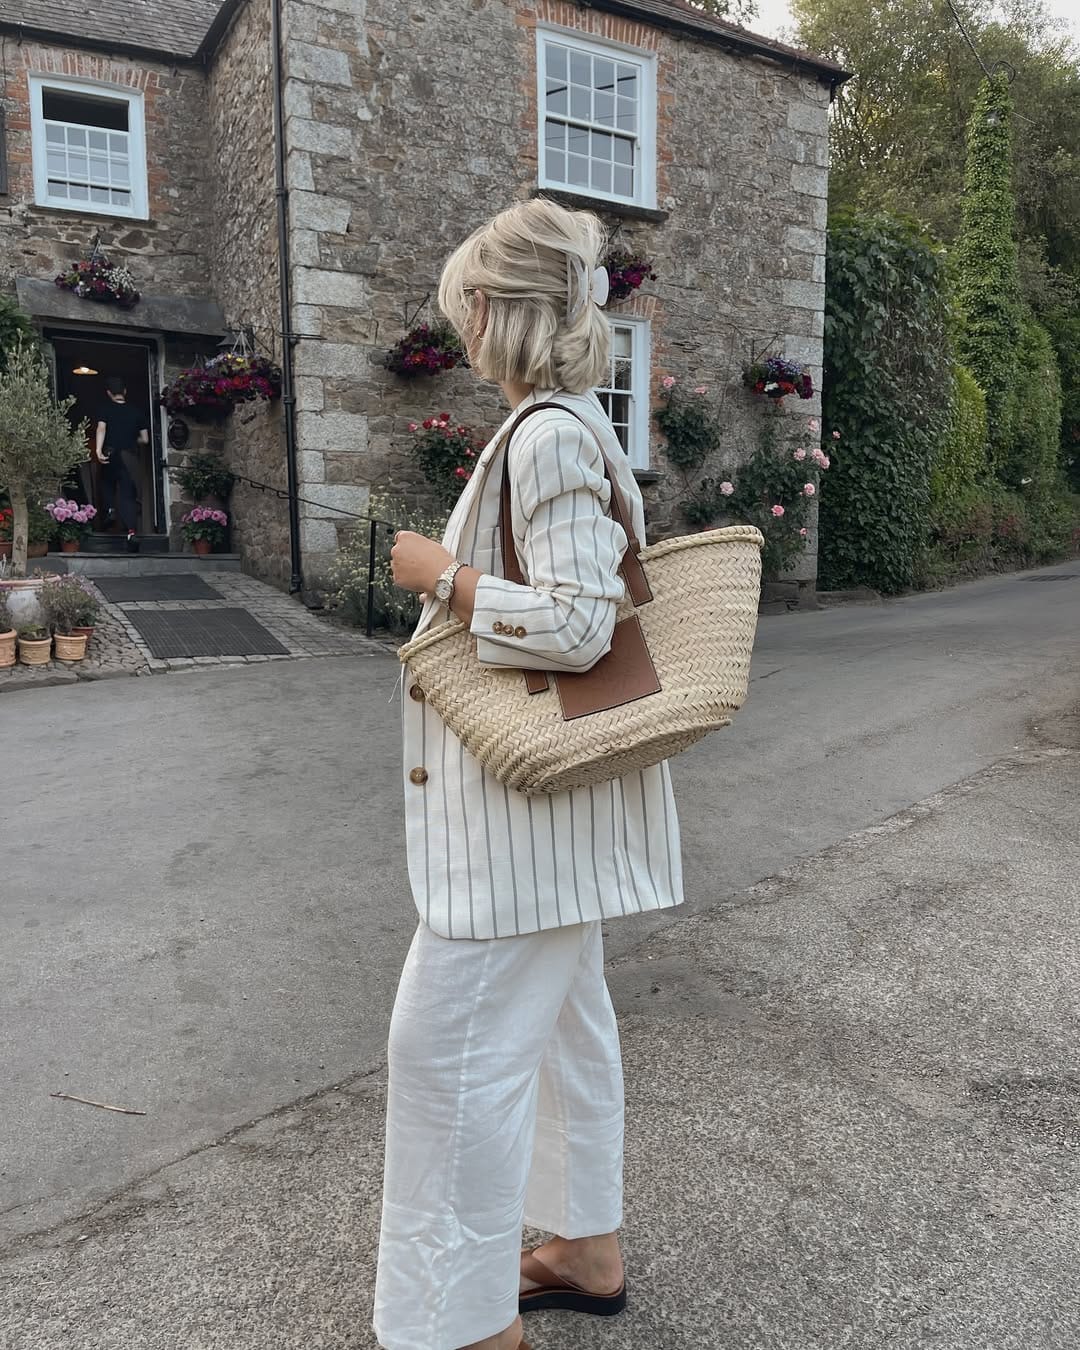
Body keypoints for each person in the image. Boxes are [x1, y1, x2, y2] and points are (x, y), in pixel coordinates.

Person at [379, 198, 684, 1350]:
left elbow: (577, 623)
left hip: (515, 825)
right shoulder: (568, 425)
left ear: (503, 311)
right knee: (566, 1026)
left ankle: (462, 1324)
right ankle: (583, 1247)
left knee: (447, 1056)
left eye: (468, 305)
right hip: (556, 820)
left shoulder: (549, 434)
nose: (459, 327)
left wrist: (441, 575)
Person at [95, 376, 148, 547]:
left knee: (106, 483)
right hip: (129, 455)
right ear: (125, 391)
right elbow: (145, 439)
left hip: (111, 453)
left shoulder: (105, 409)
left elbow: (101, 428)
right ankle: (131, 533)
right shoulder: (136, 412)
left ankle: (110, 510)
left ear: (108, 393)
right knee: (128, 495)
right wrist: (133, 441)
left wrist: (98, 449)